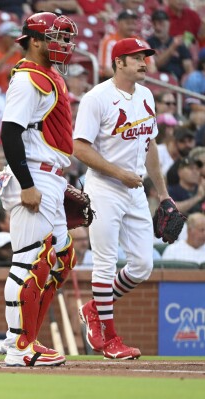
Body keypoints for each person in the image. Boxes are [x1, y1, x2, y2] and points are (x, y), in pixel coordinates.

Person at [73, 38, 172, 360]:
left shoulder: (146, 96)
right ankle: (110, 337)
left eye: (146, 57)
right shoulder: (97, 97)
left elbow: (150, 147)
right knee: (104, 262)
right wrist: (119, 174)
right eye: (137, 58)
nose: (145, 62)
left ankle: (94, 308)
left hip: (135, 189)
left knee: (143, 265)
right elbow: (80, 148)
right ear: (119, 62)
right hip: (104, 187)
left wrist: (164, 193)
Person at [0, 12, 78, 367]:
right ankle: (18, 347)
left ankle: (25, 337)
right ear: (34, 40)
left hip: (51, 175)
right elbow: (9, 132)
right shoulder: (29, 78)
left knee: (61, 257)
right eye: (55, 37)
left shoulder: (49, 75)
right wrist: (27, 184)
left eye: (65, 38)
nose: (63, 45)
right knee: (30, 259)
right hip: (34, 176)